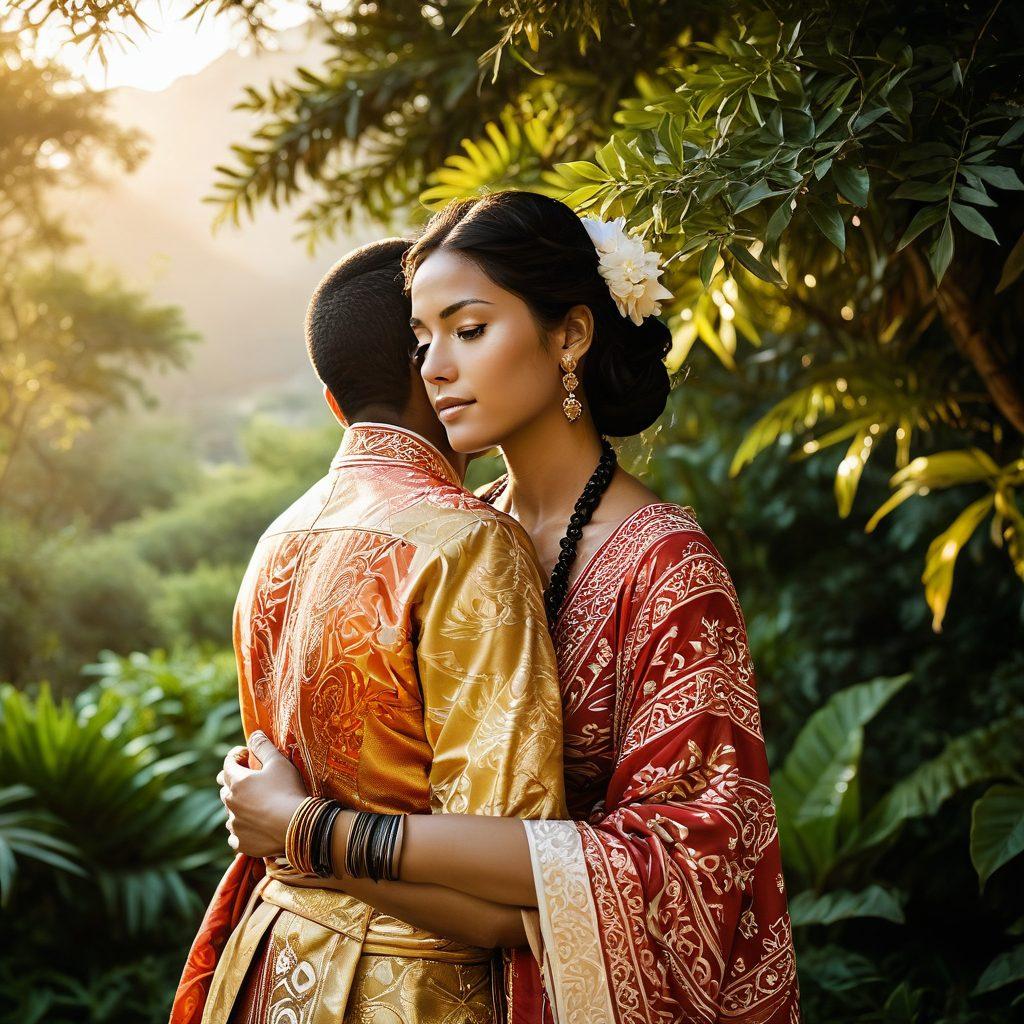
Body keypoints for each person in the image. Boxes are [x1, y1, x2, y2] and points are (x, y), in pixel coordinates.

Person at [222, 192, 801, 1023]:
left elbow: (684, 865)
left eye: (469, 329)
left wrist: (306, 830)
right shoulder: (461, 533)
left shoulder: (669, 568)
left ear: (569, 335)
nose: (433, 368)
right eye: (421, 340)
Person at [168, 237, 567, 1024]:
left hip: (265, 964)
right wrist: (307, 833)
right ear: (430, 365)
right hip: (412, 987)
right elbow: (514, 890)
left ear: (332, 401)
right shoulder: (465, 541)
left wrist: (293, 834)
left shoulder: (276, 537)